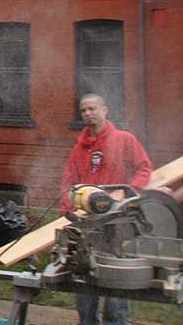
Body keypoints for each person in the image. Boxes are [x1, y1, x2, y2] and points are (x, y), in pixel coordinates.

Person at [60, 93, 152, 325]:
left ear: (105, 110)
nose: (88, 114)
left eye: (92, 108)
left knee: (115, 286)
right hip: (87, 228)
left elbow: (144, 169)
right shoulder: (80, 149)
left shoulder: (124, 139)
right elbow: (68, 181)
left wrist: (127, 194)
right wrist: (68, 209)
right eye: (83, 110)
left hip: (118, 225)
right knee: (84, 282)